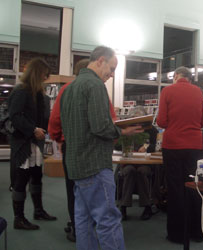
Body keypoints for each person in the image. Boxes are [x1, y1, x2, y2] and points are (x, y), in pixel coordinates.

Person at [60, 46, 143, 250]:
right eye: (112, 68)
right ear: (100, 60)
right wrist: (122, 131)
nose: (112, 75)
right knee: (108, 220)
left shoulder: (69, 88)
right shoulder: (95, 85)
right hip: (95, 164)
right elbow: (100, 127)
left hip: (76, 165)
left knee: (83, 220)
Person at [48, 58, 112, 242]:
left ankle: (78, 230)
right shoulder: (97, 88)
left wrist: (59, 138)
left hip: (72, 147)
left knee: (75, 193)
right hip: (95, 150)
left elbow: (54, 121)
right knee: (102, 205)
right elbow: (108, 120)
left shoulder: (66, 90)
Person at [157, 66, 203, 243]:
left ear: (176, 76)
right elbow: (202, 121)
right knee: (193, 187)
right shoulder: (198, 91)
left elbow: (162, 121)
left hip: (173, 145)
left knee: (175, 189)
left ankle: (177, 234)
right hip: (194, 145)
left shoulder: (168, 91)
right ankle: (198, 231)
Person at [8, 58, 57, 230]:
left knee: (37, 177)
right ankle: (18, 218)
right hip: (23, 142)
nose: (46, 78)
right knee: (21, 180)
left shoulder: (39, 94)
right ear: (37, 73)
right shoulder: (21, 91)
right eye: (44, 74)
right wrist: (33, 129)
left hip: (35, 142)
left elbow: (41, 117)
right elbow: (15, 116)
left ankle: (38, 211)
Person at [117, 106, 158, 221]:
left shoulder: (152, 130)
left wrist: (146, 147)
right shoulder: (126, 129)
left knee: (142, 171)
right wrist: (126, 147)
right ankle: (123, 206)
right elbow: (117, 145)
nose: (137, 122)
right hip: (128, 162)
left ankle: (147, 207)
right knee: (129, 171)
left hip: (145, 163)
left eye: (140, 119)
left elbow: (156, 147)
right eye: (135, 119)